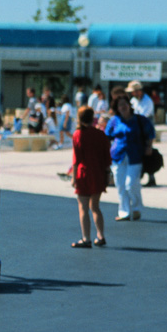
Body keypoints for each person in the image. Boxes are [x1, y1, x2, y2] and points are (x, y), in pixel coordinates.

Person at [105, 94, 155, 222]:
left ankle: (137, 208)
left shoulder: (139, 120)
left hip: (135, 155)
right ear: (116, 108)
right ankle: (124, 212)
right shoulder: (114, 121)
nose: (123, 107)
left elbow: (150, 133)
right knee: (120, 185)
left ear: (129, 105)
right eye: (120, 105)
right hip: (118, 155)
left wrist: (149, 146)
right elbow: (107, 137)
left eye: (124, 104)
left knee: (131, 184)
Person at [70, 106, 110, 248]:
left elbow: (76, 159)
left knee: (83, 207)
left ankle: (86, 238)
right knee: (96, 207)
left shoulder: (78, 134)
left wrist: (73, 178)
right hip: (98, 173)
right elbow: (107, 156)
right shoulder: (100, 134)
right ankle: (100, 235)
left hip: (84, 173)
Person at [126, 81, 157, 186]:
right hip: (137, 129)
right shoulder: (134, 100)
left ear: (139, 91)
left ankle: (151, 177)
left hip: (146, 130)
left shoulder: (147, 101)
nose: (132, 94)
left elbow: (144, 116)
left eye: (133, 92)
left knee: (148, 152)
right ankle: (138, 176)